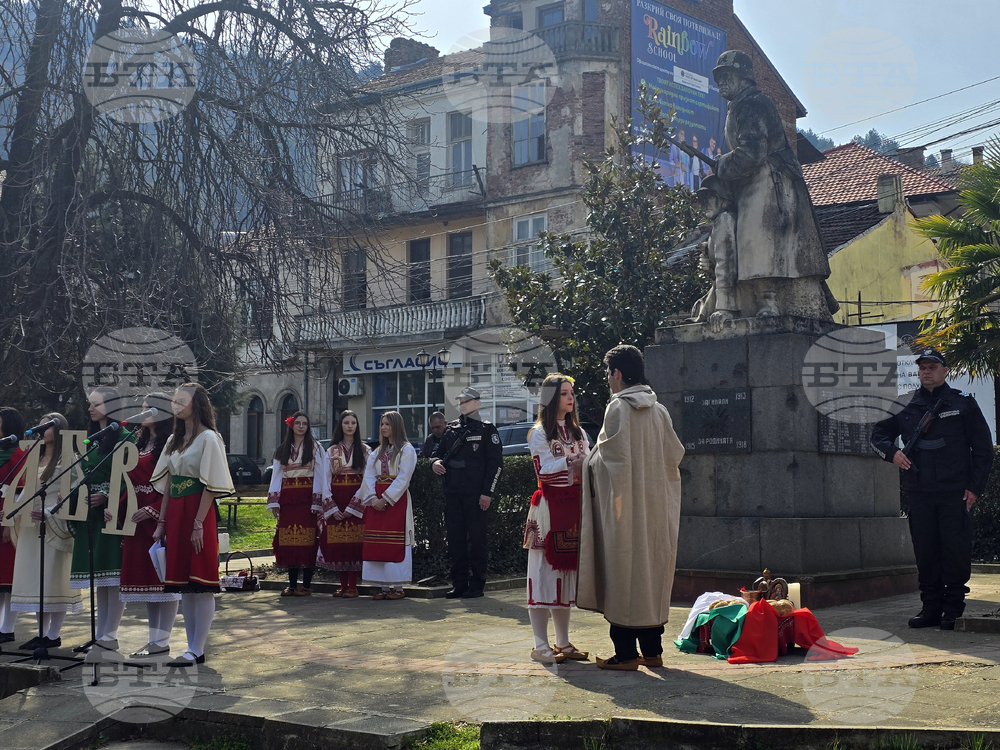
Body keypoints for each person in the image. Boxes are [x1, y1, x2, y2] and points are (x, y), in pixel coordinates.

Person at [871, 348, 994, 630]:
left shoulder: (963, 404)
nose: (927, 371)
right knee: (926, 552)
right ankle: (930, 608)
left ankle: (952, 608)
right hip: (920, 491)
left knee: (955, 551)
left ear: (944, 370)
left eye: (933, 366)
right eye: (923, 367)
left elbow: (984, 450)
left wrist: (974, 489)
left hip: (955, 493)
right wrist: (892, 453)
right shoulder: (904, 404)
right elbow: (877, 434)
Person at [579, 345, 685, 670]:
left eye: (607, 372)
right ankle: (653, 652)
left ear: (618, 374)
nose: (607, 379)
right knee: (651, 575)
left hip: (625, 511)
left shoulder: (618, 409)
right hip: (656, 509)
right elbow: (674, 457)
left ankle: (625, 654)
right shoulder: (660, 411)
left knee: (623, 574)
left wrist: (584, 462)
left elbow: (608, 461)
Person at [711, 50, 837, 319]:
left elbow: (752, 152)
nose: (721, 81)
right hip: (755, 182)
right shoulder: (740, 105)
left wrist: (722, 165)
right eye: (718, 76)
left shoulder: (751, 104)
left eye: (726, 74)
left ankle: (769, 303)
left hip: (769, 181)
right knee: (753, 242)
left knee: (759, 242)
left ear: (743, 76)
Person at [151, 383, 235, 666]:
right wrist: (161, 523)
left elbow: (210, 485)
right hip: (175, 512)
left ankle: (198, 649)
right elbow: (169, 484)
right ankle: (190, 647)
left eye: (181, 400)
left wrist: (199, 523)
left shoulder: (209, 438)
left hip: (197, 511)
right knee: (183, 583)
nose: (176, 404)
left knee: (201, 581)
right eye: (174, 400)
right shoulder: (174, 440)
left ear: (195, 403)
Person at [523, 374, 591, 664]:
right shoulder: (539, 432)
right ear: (551, 398)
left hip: (575, 507)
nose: (570, 397)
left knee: (565, 577)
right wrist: (571, 462)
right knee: (541, 576)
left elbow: (589, 460)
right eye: (564, 393)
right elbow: (543, 469)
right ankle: (540, 644)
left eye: (571, 392)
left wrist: (583, 463)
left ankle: (562, 642)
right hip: (549, 508)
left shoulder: (578, 433)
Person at [10, 413, 82, 649]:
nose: (41, 429)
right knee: (37, 581)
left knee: (54, 579)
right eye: (39, 425)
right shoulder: (35, 457)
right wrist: (13, 508)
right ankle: (41, 633)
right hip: (32, 524)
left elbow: (72, 492)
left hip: (54, 524)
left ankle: (54, 634)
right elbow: (24, 489)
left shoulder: (68, 458)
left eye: (46, 426)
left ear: (59, 429)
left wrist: (50, 513)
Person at [118, 393, 181, 659]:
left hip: (157, 518)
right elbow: (129, 485)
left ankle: (162, 641)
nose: (143, 413)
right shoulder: (139, 442)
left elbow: (172, 484)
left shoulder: (171, 444)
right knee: (147, 585)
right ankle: (152, 640)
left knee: (162, 581)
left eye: (149, 409)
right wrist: (117, 508)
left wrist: (154, 511)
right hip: (135, 518)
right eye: (141, 408)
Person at [70, 385, 132, 653]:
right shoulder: (94, 438)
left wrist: (107, 495)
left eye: (96, 403)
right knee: (100, 578)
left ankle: (111, 634)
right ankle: (100, 634)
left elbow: (130, 476)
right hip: (90, 513)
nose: (90, 408)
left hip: (113, 512)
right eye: (89, 404)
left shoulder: (125, 437)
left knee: (113, 574)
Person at [431, 387, 503, 599]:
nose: (463, 404)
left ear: (477, 403)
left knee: (478, 541)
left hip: (476, 496)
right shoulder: (451, 429)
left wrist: (487, 493)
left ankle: (477, 584)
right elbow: (436, 453)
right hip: (453, 494)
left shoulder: (487, 430)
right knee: (455, 541)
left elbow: (496, 465)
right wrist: (434, 463)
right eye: (461, 401)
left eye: (467, 401)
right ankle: (459, 583)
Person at [267, 410, 328, 597]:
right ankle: (292, 584)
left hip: (307, 498)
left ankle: (307, 585)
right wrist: (274, 501)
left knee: (308, 541)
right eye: (298, 423)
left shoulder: (316, 448)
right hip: (288, 500)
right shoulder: (282, 449)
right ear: (291, 425)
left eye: (305, 423)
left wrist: (318, 501)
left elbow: (321, 475)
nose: (301, 426)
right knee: (289, 541)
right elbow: (277, 476)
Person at [360, 411, 417, 600]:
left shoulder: (406, 450)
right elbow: (368, 476)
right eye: (382, 424)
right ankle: (382, 586)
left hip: (395, 501)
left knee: (395, 542)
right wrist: (373, 499)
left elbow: (403, 478)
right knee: (377, 543)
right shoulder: (377, 452)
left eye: (388, 424)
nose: (384, 427)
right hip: (376, 500)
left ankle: (398, 587)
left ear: (396, 426)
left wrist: (385, 498)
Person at [319, 410, 370, 597]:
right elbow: (325, 479)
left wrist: (354, 505)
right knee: (339, 542)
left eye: (353, 423)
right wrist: (331, 505)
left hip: (356, 498)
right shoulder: (330, 451)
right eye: (346, 422)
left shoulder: (365, 450)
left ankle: (353, 586)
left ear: (357, 426)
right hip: (337, 498)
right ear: (340, 425)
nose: (350, 426)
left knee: (354, 542)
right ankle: (342, 585)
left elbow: (367, 480)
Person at [689, 175, 738, 331]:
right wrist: (710, 268)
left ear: (724, 199)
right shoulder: (721, 222)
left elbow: (727, 265)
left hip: (730, 300)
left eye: (711, 196)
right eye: (704, 198)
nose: (706, 203)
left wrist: (724, 309)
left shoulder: (724, 220)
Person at [0, 407, 28, 642]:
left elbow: (19, 491)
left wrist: (8, 521)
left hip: (7, 515)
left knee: (8, 577)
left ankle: (7, 629)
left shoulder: (19, 453)